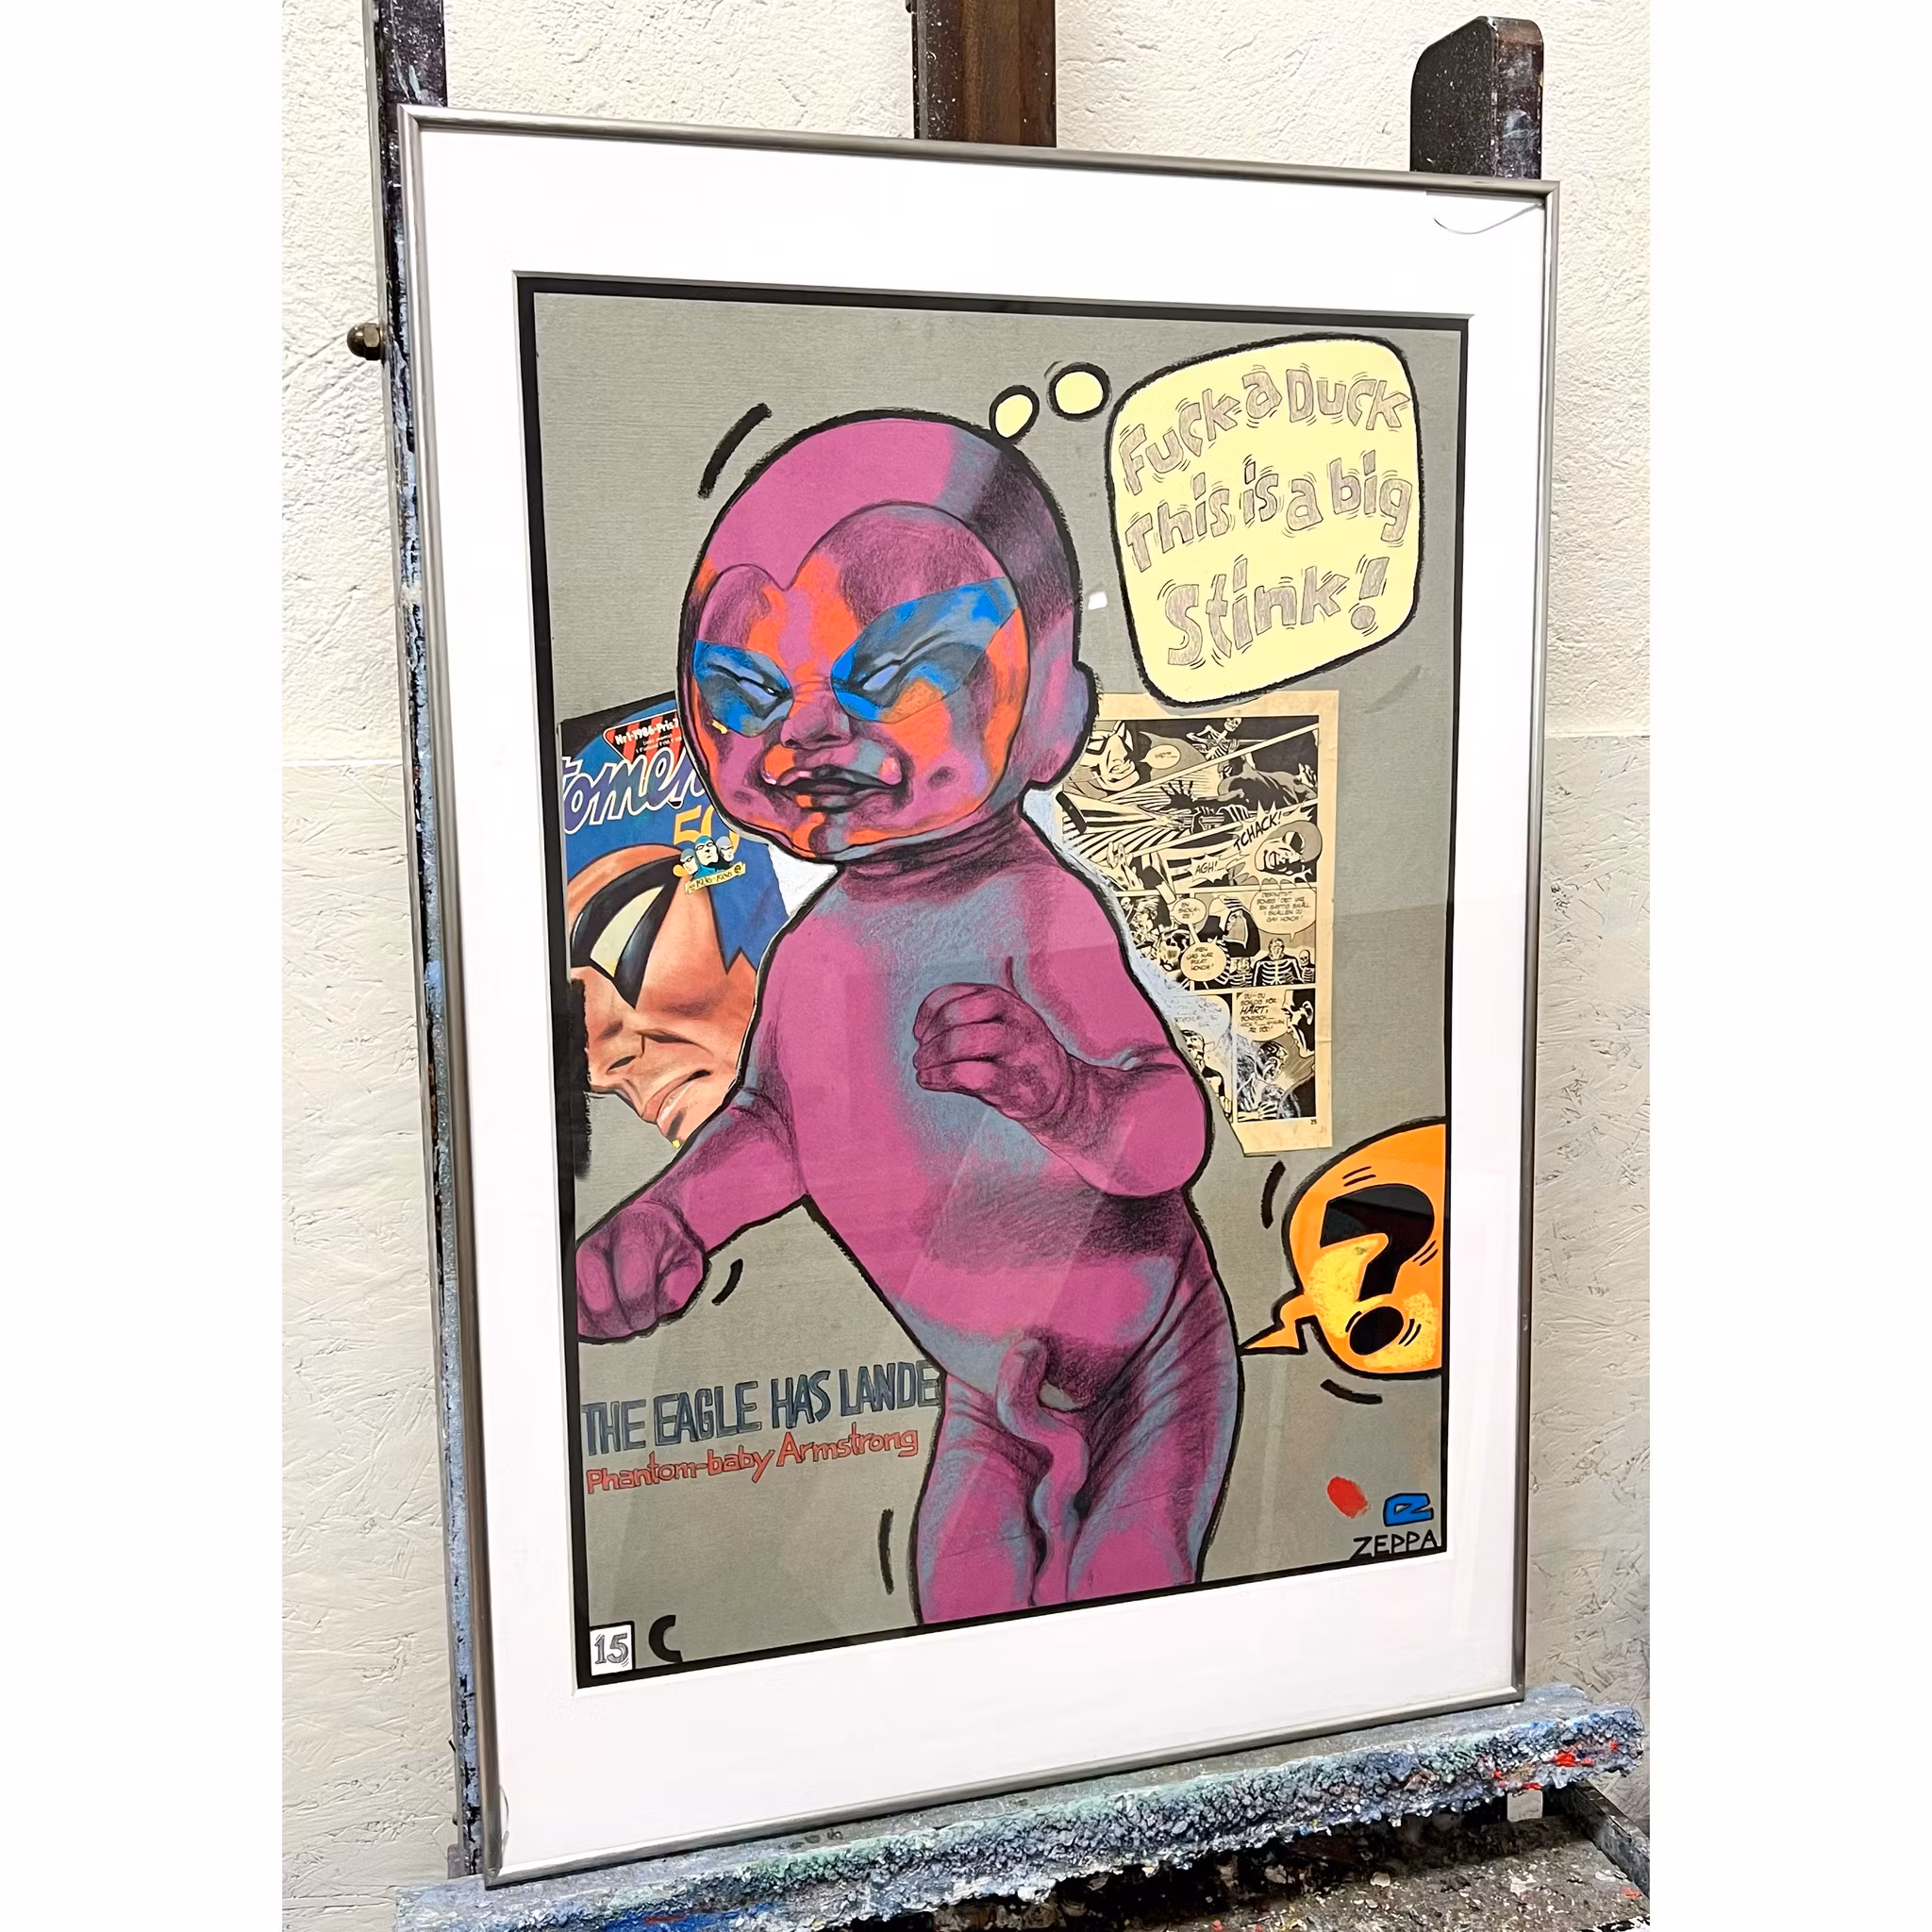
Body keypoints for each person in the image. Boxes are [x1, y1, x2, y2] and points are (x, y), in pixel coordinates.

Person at [575, 414, 1239, 1621]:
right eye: (746, 693)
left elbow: (1166, 1136)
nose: (807, 730)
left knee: (1131, 1589)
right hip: (988, 1396)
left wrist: (1065, 1093)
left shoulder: (1036, 909)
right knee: (962, 1602)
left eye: (894, 673)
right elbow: (778, 1126)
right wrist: (673, 1214)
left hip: (1150, 1366)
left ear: (1051, 719)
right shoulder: (815, 954)